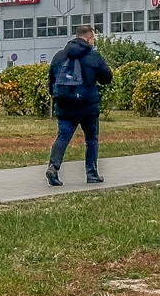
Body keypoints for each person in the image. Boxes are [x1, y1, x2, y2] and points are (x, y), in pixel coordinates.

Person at [45, 24, 114, 186]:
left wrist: (57, 97)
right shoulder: (93, 56)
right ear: (89, 38)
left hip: (64, 106)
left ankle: (53, 167)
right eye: (93, 38)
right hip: (88, 107)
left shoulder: (59, 56)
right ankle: (92, 174)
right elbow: (107, 78)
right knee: (91, 139)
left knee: (63, 137)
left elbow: (51, 81)